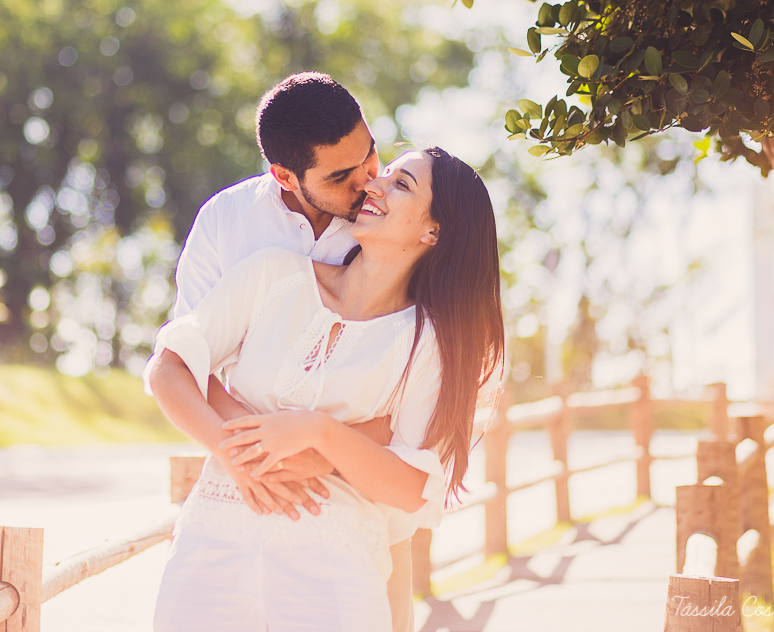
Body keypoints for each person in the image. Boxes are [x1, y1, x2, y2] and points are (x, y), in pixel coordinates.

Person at [146, 146, 505, 632]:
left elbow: (414, 487)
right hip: (213, 545)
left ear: (433, 230)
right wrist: (232, 452)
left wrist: (321, 434)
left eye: (402, 185)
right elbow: (170, 368)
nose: (373, 185)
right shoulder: (274, 274)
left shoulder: (429, 342)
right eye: (387, 175)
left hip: (334, 570)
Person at [171, 72, 418, 629]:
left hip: (368, 501)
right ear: (284, 174)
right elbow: (187, 364)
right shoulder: (228, 224)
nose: (367, 182)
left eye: (370, 156)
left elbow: (414, 403)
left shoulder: (391, 222)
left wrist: (324, 450)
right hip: (249, 489)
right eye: (341, 176)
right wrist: (254, 454)